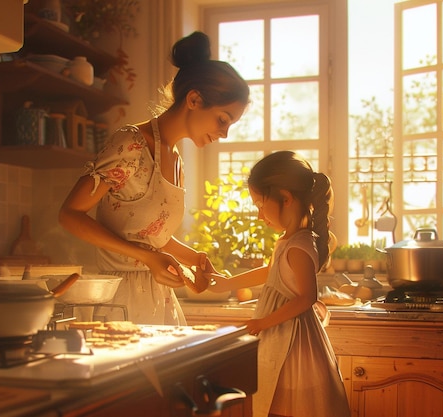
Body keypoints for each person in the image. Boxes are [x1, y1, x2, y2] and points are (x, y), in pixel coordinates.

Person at [58, 31, 249, 325]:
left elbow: (149, 236)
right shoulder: (130, 144)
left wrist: (192, 258)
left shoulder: (175, 162)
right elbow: (70, 215)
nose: (224, 133)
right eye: (223, 119)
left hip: (160, 302)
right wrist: (148, 258)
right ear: (195, 99)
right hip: (120, 301)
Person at [210, 151, 351, 417]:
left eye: (260, 205)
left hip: (295, 347)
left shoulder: (299, 244)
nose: (259, 215)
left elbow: (306, 298)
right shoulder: (289, 242)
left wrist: (261, 323)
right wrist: (226, 283)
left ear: (285, 198)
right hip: (281, 340)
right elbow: (272, 272)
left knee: (289, 408)